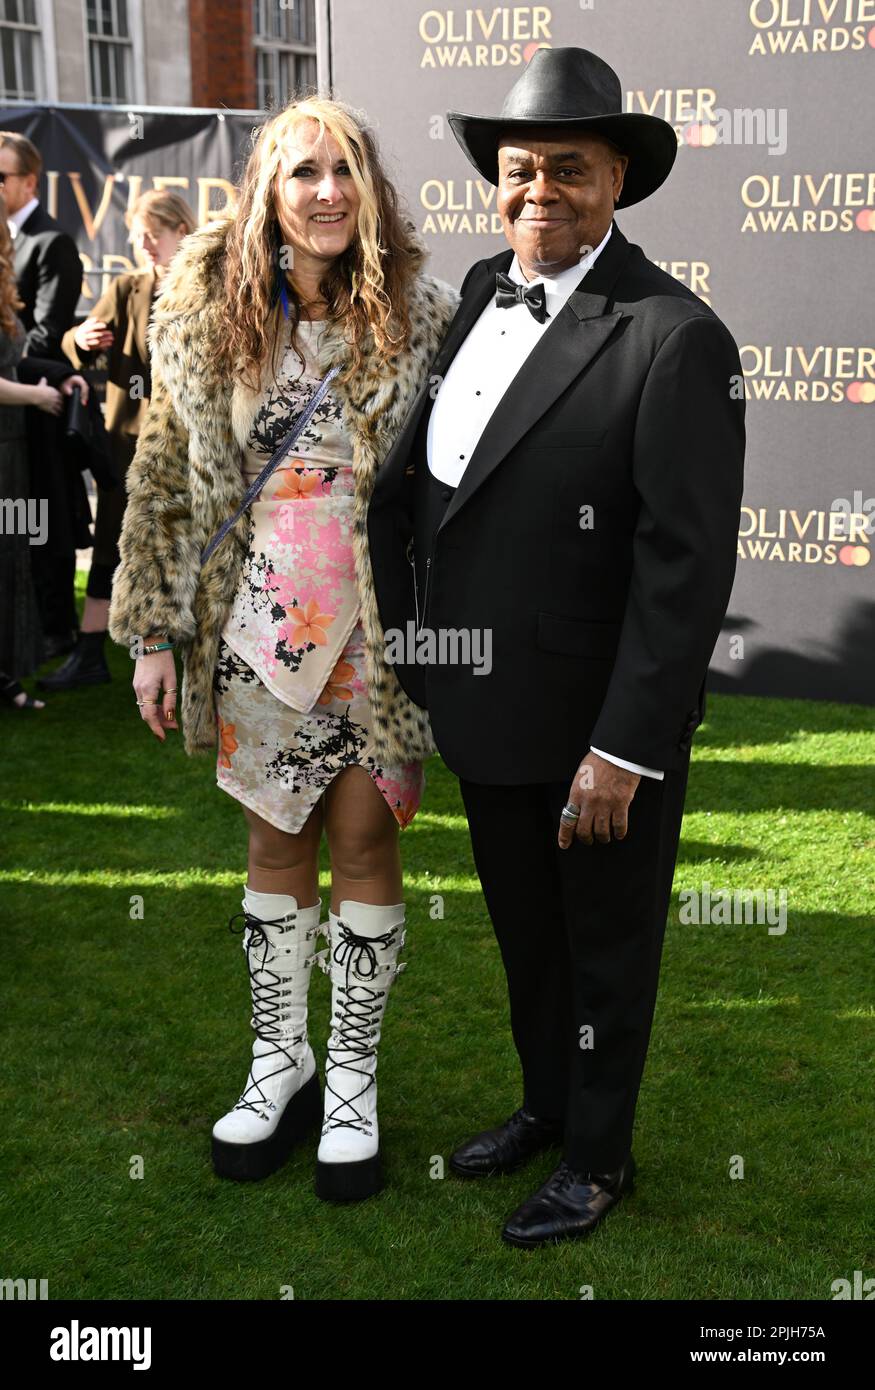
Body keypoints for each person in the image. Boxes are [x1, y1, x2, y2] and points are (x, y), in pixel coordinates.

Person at [367, 47, 746, 1246]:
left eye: (568, 170)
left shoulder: (674, 336)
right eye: (520, 169)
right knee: (525, 935)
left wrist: (626, 747)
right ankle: (545, 1102)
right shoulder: (478, 289)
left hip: (594, 729)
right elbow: (439, 489)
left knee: (603, 951)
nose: (540, 190)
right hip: (483, 703)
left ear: (618, 178)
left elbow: (682, 568)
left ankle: (596, 1158)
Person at [107, 97, 459, 1201]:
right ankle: (280, 1060)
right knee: (272, 851)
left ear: (369, 188)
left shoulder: (423, 312)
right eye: (301, 171)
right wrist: (152, 633)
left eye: (344, 170)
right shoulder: (199, 313)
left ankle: (349, 1076)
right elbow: (163, 480)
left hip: (375, 628)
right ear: (265, 185)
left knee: (360, 842)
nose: (324, 191)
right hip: (256, 625)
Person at [41, 191, 197, 691]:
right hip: (129, 445)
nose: (145, 245)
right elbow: (75, 344)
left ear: (181, 228)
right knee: (113, 546)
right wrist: (80, 340)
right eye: (139, 236)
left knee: (194, 548)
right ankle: (91, 654)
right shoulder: (128, 286)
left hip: (197, 447)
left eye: (154, 234)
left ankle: (195, 658)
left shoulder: (209, 287)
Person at [0, 208, 89, 711]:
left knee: (15, 555)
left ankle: (9, 674)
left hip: (15, 454)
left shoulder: (5, 283)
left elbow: (13, 359)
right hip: (6, 446)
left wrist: (57, 373)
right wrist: (36, 397)